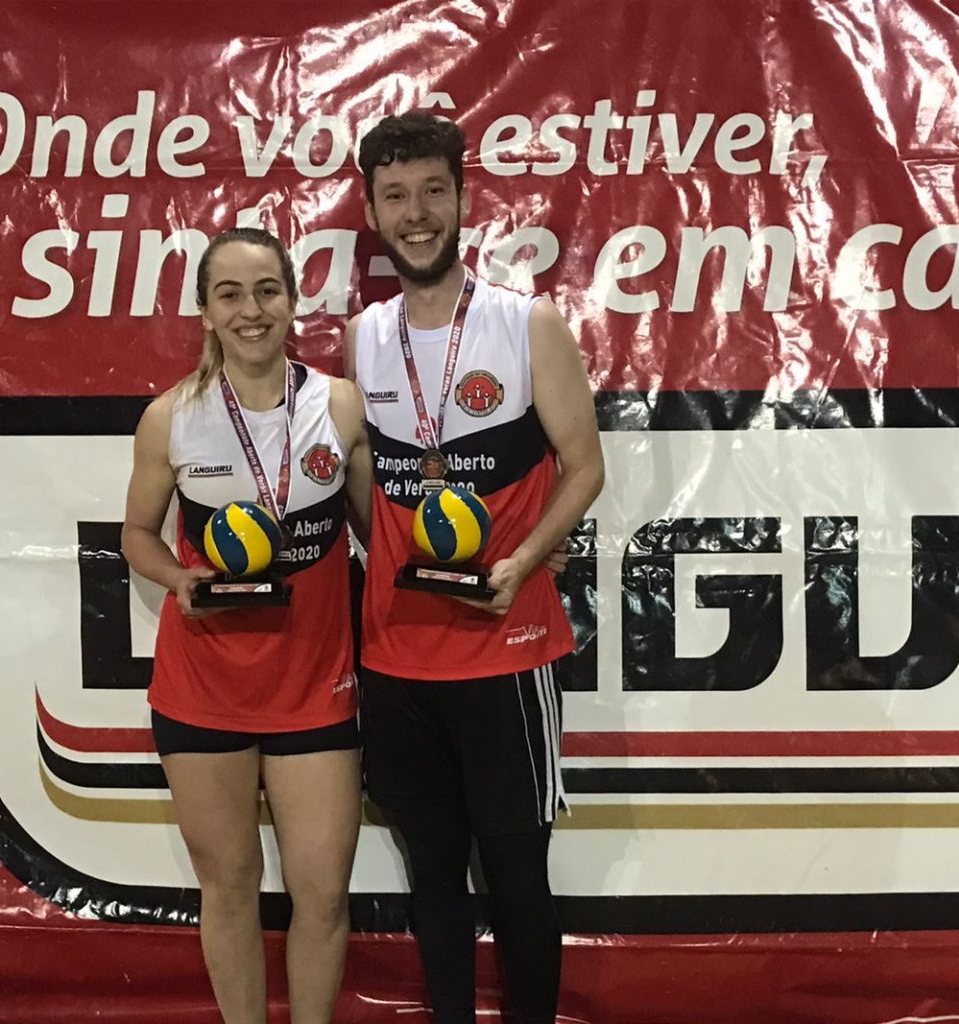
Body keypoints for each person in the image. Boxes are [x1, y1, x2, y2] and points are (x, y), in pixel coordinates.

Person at [344, 113, 605, 1024]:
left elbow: (585, 467)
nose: (415, 214)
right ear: (372, 212)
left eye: (432, 192)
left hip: (507, 648)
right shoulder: (364, 337)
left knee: (517, 874)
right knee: (433, 878)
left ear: (462, 200)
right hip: (397, 657)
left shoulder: (525, 322)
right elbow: (368, 485)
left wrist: (525, 559)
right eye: (395, 196)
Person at [121, 227, 373, 1024]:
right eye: (229, 294)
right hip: (203, 689)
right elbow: (136, 535)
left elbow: (380, 534)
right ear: (205, 311)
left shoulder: (338, 405)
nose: (250, 310)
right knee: (228, 887)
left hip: (315, 687)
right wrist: (176, 578)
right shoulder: (171, 417)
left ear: (293, 303)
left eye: (267, 290)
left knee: (322, 894)